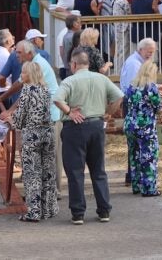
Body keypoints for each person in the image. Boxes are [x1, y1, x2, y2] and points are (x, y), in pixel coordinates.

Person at [53, 50, 123, 225]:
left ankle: (78, 213)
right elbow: (119, 96)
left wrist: (69, 111)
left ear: (74, 64)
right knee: (98, 169)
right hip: (96, 125)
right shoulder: (101, 79)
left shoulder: (69, 81)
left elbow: (57, 99)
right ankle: (104, 210)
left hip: (75, 127)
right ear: (88, 64)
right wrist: (108, 112)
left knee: (75, 171)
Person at [7, 61, 59, 222]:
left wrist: (11, 120)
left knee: (32, 174)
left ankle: (34, 212)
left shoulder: (27, 90)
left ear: (29, 74)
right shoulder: (45, 90)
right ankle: (48, 209)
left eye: (23, 72)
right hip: (48, 133)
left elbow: (20, 116)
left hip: (32, 136)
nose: (20, 75)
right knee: (48, 172)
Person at [124, 59, 162, 196]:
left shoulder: (132, 86)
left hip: (130, 125)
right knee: (149, 156)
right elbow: (159, 108)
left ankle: (136, 186)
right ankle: (149, 188)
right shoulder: (151, 87)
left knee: (134, 156)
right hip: (145, 127)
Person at [120, 38, 160, 186]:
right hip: (142, 120)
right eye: (149, 52)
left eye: (153, 52)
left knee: (135, 152)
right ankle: (145, 185)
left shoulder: (136, 63)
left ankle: (135, 181)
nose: (150, 54)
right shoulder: (134, 64)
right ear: (140, 49)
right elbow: (142, 92)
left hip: (133, 118)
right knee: (144, 153)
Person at [111, 0, 132, 71]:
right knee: (124, 49)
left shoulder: (115, 0)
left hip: (117, 27)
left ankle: (117, 69)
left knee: (118, 50)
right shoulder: (124, 1)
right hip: (124, 28)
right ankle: (122, 70)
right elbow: (129, 14)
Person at [60, 15, 82, 79]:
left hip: (69, 66)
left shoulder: (66, 35)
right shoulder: (72, 37)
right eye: (79, 22)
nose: (80, 24)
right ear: (74, 24)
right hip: (73, 67)